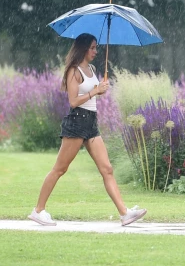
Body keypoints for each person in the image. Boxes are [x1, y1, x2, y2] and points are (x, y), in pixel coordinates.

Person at [28, 33, 147, 227]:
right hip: (76, 123)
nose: (96, 51)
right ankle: (38, 211)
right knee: (60, 169)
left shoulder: (91, 69)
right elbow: (73, 101)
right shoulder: (73, 71)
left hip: (91, 123)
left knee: (107, 169)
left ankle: (124, 213)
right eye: (92, 47)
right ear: (83, 48)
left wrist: (102, 89)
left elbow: (92, 94)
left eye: (96, 47)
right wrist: (95, 91)